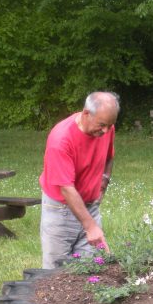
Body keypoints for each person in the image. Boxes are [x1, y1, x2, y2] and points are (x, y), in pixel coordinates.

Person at [39, 91, 119, 269]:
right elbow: (66, 188)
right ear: (86, 113)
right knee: (55, 275)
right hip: (60, 211)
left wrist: (104, 182)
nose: (106, 130)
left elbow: (109, 156)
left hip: (91, 206)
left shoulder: (107, 129)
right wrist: (90, 227)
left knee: (91, 269)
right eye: (102, 125)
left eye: (110, 125)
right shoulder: (61, 140)